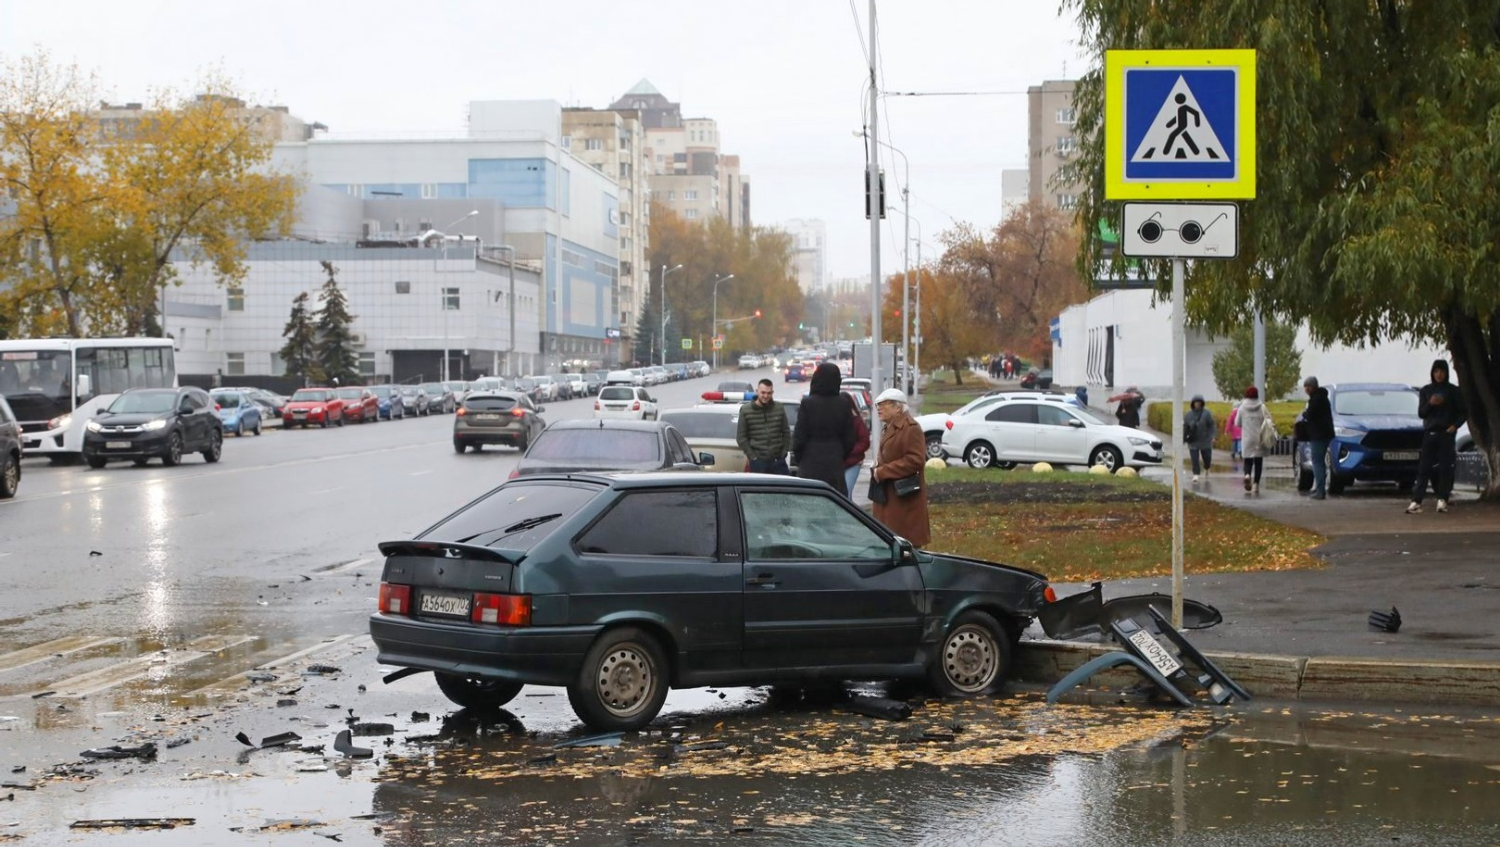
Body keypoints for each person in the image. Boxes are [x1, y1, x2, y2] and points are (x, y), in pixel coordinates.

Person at [870, 388, 930, 546]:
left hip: (904, 498)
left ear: (898, 407)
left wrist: (883, 472)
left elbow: (916, 460)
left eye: (883, 404)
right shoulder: (891, 426)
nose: (879, 408)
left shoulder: (911, 428)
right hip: (890, 496)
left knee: (905, 544)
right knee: (889, 541)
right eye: (877, 405)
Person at [1408, 359, 1466, 514]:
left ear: (1446, 373)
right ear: (1432, 373)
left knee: (1445, 467)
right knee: (1424, 468)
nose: (1439, 375)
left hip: (1446, 433)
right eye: (1436, 371)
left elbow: (1463, 412)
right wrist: (1431, 403)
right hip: (1430, 432)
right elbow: (1422, 413)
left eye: (1442, 371)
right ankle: (1416, 501)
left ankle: (1442, 499)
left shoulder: (1453, 391)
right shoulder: (1426, 391)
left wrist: (1455, 426)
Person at [793, 362, 856, 494]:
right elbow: (850, 438)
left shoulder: (807, 403)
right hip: (834, 462)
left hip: (809, 461)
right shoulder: (843, 404)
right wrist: (839, 454)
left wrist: (801, 458)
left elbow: (799, 437)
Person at [736, 378, 791, 475]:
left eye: (769, 393)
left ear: (772, 392)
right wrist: (753, 457)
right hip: (758, 462)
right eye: (763, 393)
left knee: (784, 484)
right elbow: (741, 437)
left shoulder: (779, 408)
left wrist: (784, 452)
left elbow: (786, 432)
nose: (766, 396)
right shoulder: (745, 410)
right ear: (757, 391)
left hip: (778, 461)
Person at [1302, 376, 1334, 500]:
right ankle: (1319, 488)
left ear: (1312, 387)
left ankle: (1320, 491)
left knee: (1317, 462)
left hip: (1318, 435)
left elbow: (1310, 414)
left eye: (1307, 386)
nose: (1306, 389)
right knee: (1319, 461)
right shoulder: (1322, 397)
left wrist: (1305, 413)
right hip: (1325, 434)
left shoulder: (1316, 399)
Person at [1236, 386, 1269, 493]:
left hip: (1247, 438)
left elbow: (1237, 423)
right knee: (1258, 462)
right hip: (1259, 438)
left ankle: (1247, 475)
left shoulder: (1242, 408)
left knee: (1248, 460)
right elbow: (1269, 420)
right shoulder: (1262, 407)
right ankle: (1256, 485)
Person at [842, 392, 870, 498]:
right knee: (842, 496)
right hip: (838, 463)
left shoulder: (856, 421)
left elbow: (865, 441)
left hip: (853, 462)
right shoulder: (835, 420)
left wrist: (850, 451)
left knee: (846, 494)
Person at [1183, 395, 1216, 482]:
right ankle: (1196, 474)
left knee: (1207, 458)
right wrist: (1183, 438)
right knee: (1194, 458)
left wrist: (1212, 436)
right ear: (1193, 403)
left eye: (1199, 402)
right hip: (1193, 440)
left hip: (1205, 440)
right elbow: (1185, 427)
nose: (1197, 404)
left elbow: (1212, 425)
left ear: (1202, 403)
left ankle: (1207, 467)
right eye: (1196, 402)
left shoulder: (1207, 413)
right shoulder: (1188, 415)